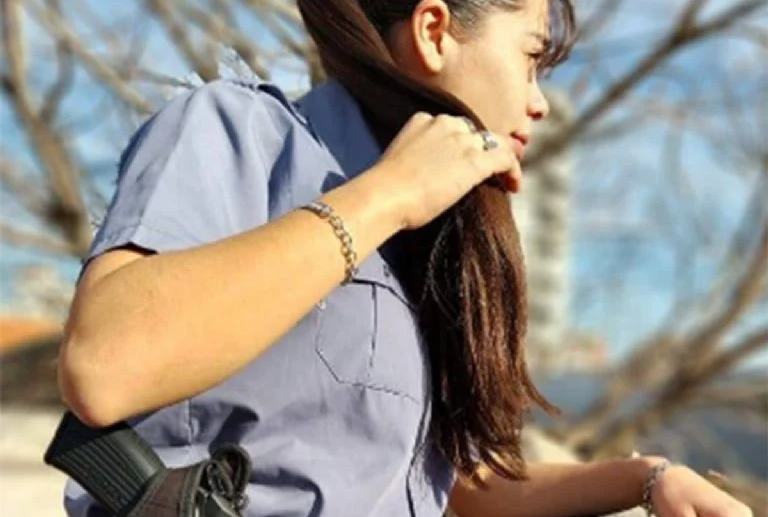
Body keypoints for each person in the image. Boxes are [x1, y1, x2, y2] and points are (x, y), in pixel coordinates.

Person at [57, 1, 754, 516]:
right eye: (530, 57)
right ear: (434, 31)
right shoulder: (240, 133)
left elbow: (460, 487)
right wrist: (388, 194)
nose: (539, 102)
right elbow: (103, 365)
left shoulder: (440, 245)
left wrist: (648, 478)